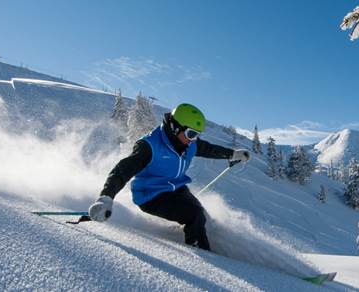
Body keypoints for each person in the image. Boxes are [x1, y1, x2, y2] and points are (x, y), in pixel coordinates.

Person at [88, 103, 250, 250]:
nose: (193, 139)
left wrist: (232, 154)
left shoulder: (189, 143)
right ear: (175, 127)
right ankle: (202, 257)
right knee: (195, 216)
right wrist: (106, 197)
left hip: (176, 188)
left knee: (202, 216)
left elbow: (208, 149)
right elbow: (122, 170)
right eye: (191, 133)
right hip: (151, 196)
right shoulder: (149, 146)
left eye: (196, 135)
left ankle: (194, 237)